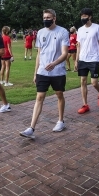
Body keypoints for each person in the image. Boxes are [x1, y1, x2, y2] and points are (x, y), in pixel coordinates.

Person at [20, 9, 69, 138]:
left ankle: (60, 121)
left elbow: (65, 53)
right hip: (42, 71)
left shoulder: (63, 32)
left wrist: (54, 63)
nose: (46, 19)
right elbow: (39, 54)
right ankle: (31, 128)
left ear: (54, 18)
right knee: (39, 97)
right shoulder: (40, 32)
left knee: (59, 94)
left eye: (49, 17)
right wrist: (36, 72)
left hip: (58, 71)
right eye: (44, 17)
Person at [75, 8, 99, 114]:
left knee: (94, 83)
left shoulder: (97, 28)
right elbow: (78, 45)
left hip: (94, 58)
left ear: (90, 17)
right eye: (82, 16)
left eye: (85, 16)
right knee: (83, 81)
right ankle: (85, 105)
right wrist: (76, 60)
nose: (83, 18)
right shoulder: (79, 30)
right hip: (83, 58)